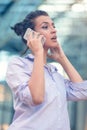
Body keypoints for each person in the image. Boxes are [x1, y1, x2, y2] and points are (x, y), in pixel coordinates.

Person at [6, 10, 87, 130]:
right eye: (45, 27)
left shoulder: (54, 73)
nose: (54, 30)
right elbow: (37, 97)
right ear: (31, 36)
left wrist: (62, 59)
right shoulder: (18, 65)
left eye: (53, 25)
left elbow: (83, 92)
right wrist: (38, 53)